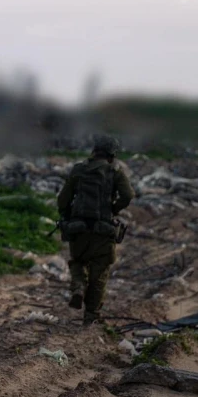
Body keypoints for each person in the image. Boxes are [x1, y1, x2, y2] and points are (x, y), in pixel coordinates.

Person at [57, 134, 135, 326]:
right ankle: (91, 315)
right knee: (99, 273)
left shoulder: (78, 170)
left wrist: (67, 216)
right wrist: (112, 210)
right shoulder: (115, 172)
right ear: (112, 154)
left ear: (94, 150)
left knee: (77, 262)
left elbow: (62, 200)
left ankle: (78, 287)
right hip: (103, 231)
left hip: (78, 230)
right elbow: (128, 195)